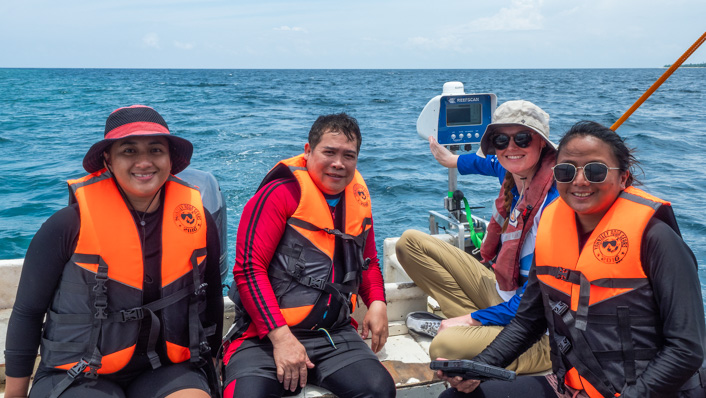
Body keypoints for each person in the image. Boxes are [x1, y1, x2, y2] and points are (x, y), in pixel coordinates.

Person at [439, 121, 706, 398]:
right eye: (566, 171)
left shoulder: (657, 239)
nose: (579, 181)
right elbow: (528, 322)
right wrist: (478, 368)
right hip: (572, 387)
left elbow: (686, 348)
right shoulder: (551, 228)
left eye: (596, 171)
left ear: (623, 177)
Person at [4, 105, 224, 398]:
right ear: (108, 160)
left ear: (171, 159)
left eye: (156, 150)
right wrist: (15, 394)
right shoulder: (68, 225)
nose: (144, 162)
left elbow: (211, 302)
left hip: (164, 369)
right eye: (129, 151)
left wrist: (212, 365)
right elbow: (27, 313)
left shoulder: (197, 220)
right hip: (75, 374)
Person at [221, 113, 395, 398]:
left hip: (333, 333)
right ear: (308, 151)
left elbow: (369, 261)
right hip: (264, 334)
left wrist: (376, 302)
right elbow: (249, 271)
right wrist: (281, 338)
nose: (338, 163)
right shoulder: (279, 194)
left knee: (379, 390)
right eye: (329, 152)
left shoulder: (358, 197)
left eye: (348, 156)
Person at [396, 100, 556, 374]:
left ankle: (467, 329)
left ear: (541, 143)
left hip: (538, 328)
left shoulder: (555, 203)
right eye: (501, 140)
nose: (511, 147)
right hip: (503, 293)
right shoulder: (511, 172)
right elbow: (487, 163)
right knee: (410, 243)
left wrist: (472, 320)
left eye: (522, 138)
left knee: (444, 347)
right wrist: (453, 160)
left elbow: (536, 301)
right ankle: (473, 325)